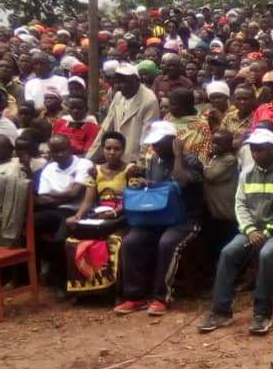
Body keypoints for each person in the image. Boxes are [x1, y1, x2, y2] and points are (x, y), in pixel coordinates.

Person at [198, 128, 273, 335]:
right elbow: (240, 205)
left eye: (260, 150)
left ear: (272, 149)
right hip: (252, 230)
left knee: (267, 254)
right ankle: (221, 311)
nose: (255, 154)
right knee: (228, 252)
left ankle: (262, 313)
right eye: (253, 150)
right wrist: (251, 230)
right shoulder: (246, 173)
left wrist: (267, 231)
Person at [114, 121, 203, 316]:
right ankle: (135, 296)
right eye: (153, 143)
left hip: (185, 219)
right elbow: (158, 187)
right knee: (131, 241)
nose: (154, 147)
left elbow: (180, 183)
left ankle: (161, 297)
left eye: (159, 143)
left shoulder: (191, 161)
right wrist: (145, 183)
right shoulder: (155, 160)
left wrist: (178, 155)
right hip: (158, 217)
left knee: (167, 243)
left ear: (173, 141)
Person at [63, 131, 135, 296]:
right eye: (108, 148)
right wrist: (78, 216)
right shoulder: (95, 171)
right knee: (72, 242)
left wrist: (115, 212)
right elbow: (88, 201)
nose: (112, 152)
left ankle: (113, 290)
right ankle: (84, 292)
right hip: (101, 217)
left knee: (114, 242)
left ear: (123, 150)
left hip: (123, 217)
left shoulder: (131, 170)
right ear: (102, 149)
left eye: (116, 149)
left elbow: (132, 199)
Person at [34, 135, 93, 295]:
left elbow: (75, 194)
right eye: (55, 151)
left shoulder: (83, 164)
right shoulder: (49, 168)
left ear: (70, 148)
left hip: (79, 211)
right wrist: (65, 193)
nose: (60, 154)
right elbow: (41, 199)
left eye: (63, 150)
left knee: (60, 239)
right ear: (50, 153)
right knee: (29, 225)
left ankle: (62, 283)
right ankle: (45, 269)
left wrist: (53, 194)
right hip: (56, 210)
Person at [88, 63, 160, 162]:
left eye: (123, 82)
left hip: (134, 159)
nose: (118, 86)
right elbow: (106, 128)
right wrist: (89, 158)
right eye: (116, 82)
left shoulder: (149, 100)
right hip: (116, 157)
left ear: (136, 81)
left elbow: (148, 137)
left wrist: (141, 163)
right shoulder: (118, 96)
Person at [202, 129, 240, 268]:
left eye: (218, 143)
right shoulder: (215, 158)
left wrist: (203, 167)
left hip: (226, 211)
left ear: (229, 145)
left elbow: (210, 175)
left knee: (226, 240)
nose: (213, 146)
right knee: (215, 241)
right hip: (214, 209)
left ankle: (230, 269)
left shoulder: (230, 160)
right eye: (213, 142)